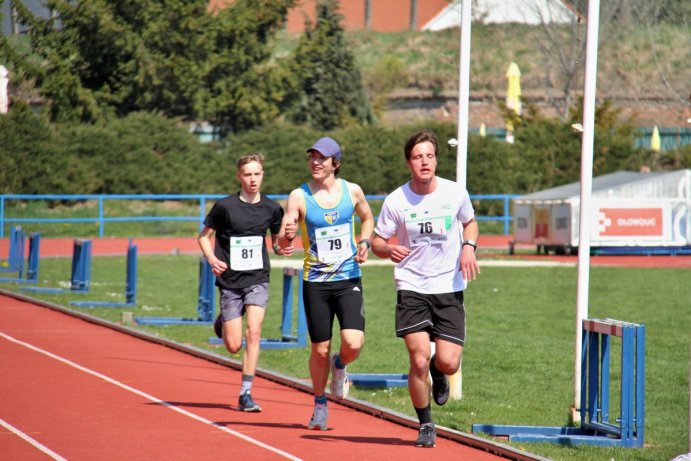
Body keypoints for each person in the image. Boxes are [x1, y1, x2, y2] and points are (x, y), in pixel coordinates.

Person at [370, 129, 480, 448]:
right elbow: (378, 240)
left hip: (448, 286)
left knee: (448, 361)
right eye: (418, 157)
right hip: (412, 285)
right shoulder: (396, 200)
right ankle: (426, 424)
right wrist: (387, 249)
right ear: (409, 163)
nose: (424, 162)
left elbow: (470, 222)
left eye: (429, 156)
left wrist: (469, 247)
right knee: (417, 358)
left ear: (435, 160)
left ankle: (438, 368)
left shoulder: (454, 193)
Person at [277, 136, 374, 431]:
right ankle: (319, 405)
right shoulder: (298, 196)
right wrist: (287, 234)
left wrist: (365, 241)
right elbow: (283, 242)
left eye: (322, 158)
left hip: (347, 278)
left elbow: (368, 218)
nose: (315, 162)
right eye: (312, 157)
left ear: (335, 163)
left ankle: (341, 365)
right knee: (319, 349)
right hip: (316, 281)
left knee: (353, 343)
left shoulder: (352, 191)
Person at [198, 152, 291, 413]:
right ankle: (224, 322)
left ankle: (246, 393)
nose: (253, 179)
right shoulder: (225, 207)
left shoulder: (272, 208)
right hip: (230, 281)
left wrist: (283, 246)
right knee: (233, 345)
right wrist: (211, 259)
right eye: (248, 174)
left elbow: (276, 243)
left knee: (255, 332)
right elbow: (204, 237)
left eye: (257, 174)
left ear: (262, 175)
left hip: (257, 278)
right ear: (239, 176)